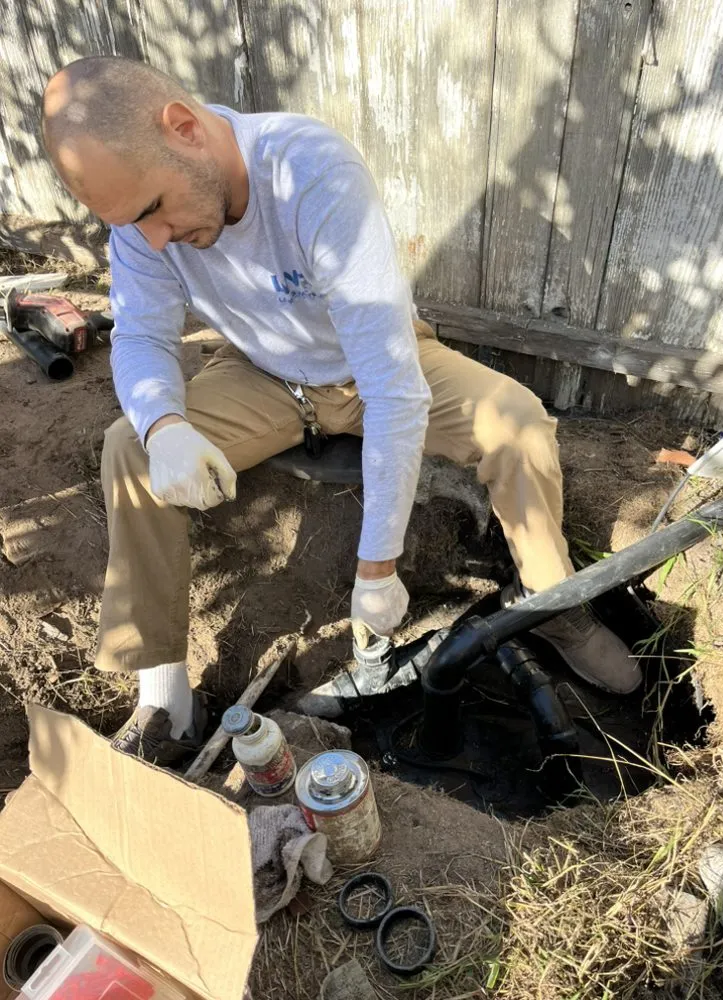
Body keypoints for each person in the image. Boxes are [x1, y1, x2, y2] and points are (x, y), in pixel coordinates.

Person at [41, 56, 641, 765]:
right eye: (129, 225)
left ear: (184, 129)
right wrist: (165, 426)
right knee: (130, 447)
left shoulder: (307, 172)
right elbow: (141, 336)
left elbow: (393, 386)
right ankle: (166, 697)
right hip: (261, 373)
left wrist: (378, 568)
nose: (153, 240)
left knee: (520, 426)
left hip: (367, 366)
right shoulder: (140, 220)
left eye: (151, 211)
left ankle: (554, 607)